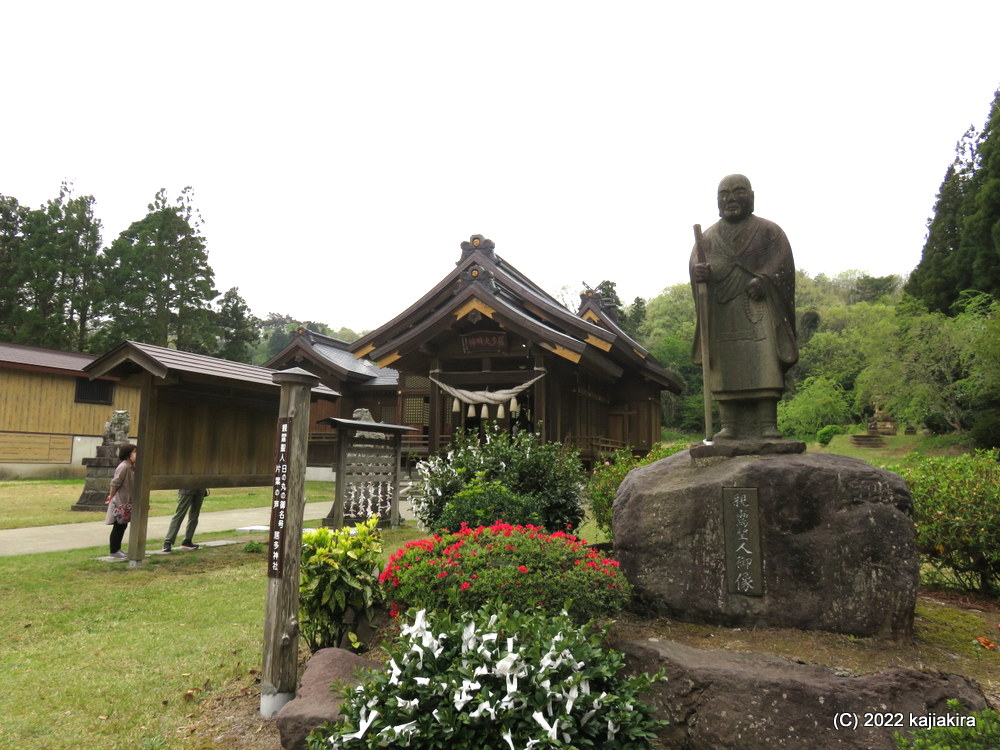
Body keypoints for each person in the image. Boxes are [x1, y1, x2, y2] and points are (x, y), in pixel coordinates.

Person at [690, 174, 798, 440]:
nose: (731, 199)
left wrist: (764, 279)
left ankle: (767, 423)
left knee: (764, 362)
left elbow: (782, 265)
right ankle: (729, 424)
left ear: (751, 196)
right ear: (717, 201)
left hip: (759, 307)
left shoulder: (769, 231)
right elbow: (696, 268)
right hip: (723, 311)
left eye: (738, 192)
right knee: (725, 364)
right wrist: (699, 273)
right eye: (724, 194)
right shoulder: (709, 238)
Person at [104, 444, 137, 559]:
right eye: (134, 452)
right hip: (120, 501)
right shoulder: (124, 466)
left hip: (126, 501)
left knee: (122, 525)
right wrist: (111, 495)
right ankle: (114, 550)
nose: (136, 454)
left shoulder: (131, 466)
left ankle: (117, 549)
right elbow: (115, 483)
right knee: (118, 525)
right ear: (128, 454)